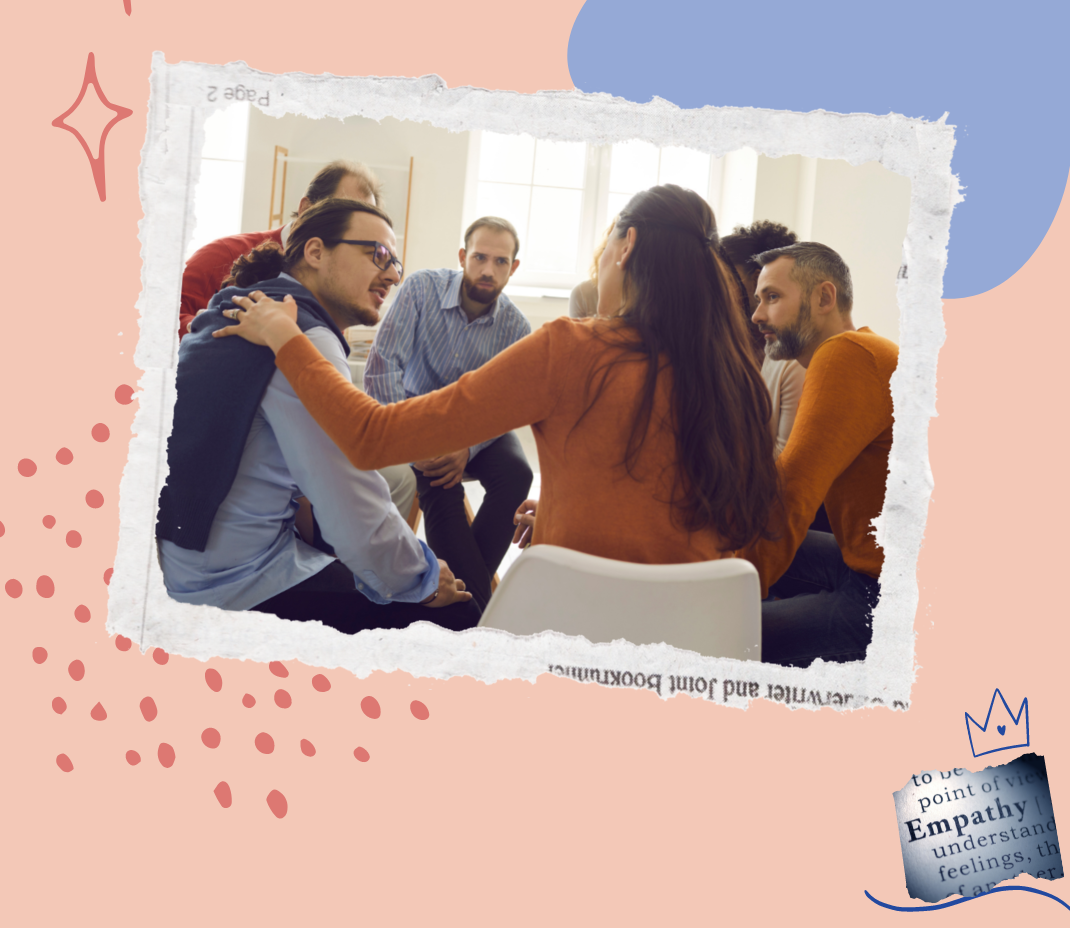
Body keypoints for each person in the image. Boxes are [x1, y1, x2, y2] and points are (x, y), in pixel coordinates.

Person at [216, 184, 780, 575]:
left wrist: (287, 338)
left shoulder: (571, 347)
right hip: (696, 644)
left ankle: (464, 603)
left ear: (626, 245)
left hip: (574, 630)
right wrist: (560, 513)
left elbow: (370, 437)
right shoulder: (739, 377)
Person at [156, 198, 475, 634]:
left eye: (396, 264)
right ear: (316, 252)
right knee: (456, 618)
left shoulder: (236, 306)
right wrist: (422, 577)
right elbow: (352, 506)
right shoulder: (302, 336)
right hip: (234, 581)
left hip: (182, 556)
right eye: (378, 254)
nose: (393, 275)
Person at [739, 242, 896, 667]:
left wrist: (717, 600)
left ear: (824, 297)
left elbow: (791, 492)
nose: (757, 315)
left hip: (888, 598)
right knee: (727, 533)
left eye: (772, 297)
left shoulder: (846, 355)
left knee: (721, 635)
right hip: (870, 566)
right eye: (759, 300)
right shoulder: (863, 351)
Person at [364, 216, 533, 608]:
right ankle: (476, 605)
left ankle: (465, 599)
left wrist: (469, 447)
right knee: (440, 479)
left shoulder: (516, 328)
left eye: (501, 261)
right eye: (480, 257)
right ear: (462, 256)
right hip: (416, 417)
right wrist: (411, 441)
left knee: (518, 473)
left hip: (477, 424)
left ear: (513, 268)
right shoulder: (421, 289)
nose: (488, 270)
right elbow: (382, 368)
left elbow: (507, 406)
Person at [177, 160, 381, 338]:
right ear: (306, 209)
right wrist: (215, 327)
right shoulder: (223, 254)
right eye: (342, 216)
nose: (350, 230)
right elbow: (164, 317)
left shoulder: (333, 289)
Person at [719, 221, 806, 453]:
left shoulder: (795, 359)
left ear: (757, 281)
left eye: (722, 281)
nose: (712, 292)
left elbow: (784, 457)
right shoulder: (727, 345)